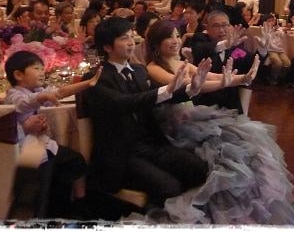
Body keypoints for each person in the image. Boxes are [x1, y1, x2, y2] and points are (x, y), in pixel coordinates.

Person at [144, 20, 294, 224]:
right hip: (177, 126)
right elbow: (188, 85)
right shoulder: (153, 68)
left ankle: (249, 211)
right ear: (156, 44)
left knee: (251, 148)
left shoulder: (182, 63)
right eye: (169, 37)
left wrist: (241, 78)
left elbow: (212, 76)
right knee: (227, 156)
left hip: (194, 119)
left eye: (176, 36)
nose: (175, 40)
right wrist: (222, 83)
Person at [81, 17, 209, 209]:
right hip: (122, 153)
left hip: (150, 144)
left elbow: (158, 99)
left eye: (131, 37)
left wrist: (191, 90)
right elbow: (123, 103)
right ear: (107, 47)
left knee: (198, 169)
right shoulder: (94, 77)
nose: (131, 42)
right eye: (124, 38)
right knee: (170, 187)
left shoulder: (139, 70)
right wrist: (166, 90)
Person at [3, 50, 102, 218]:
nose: (42, 72)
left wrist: (88, 83)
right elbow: (25, 103)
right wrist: (43, 97)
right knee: (35, 193)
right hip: (27, 152)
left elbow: (60, 92)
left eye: (42, 68)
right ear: (18, 75)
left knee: (73, 163)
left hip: (40, 146)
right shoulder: (14, 95)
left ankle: (73, 206)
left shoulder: (37, 91)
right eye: (36, 68)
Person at [190, 10, 270, 112]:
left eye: (224, 25)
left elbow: (251, 66)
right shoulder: (200, 39)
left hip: (230, 105)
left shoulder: (235, 45)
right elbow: (200, 50)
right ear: (207, 28)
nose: (221, 30)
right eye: (216, 26)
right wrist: (225, 44)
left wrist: (262, 50)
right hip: (204, 103)